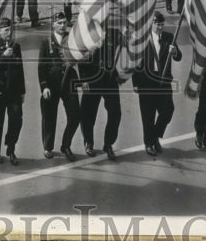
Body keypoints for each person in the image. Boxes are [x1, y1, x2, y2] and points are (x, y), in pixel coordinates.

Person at [132, 11, 182, 156]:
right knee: (148, 115)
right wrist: (135, 82)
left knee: (168, 110)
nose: (160, 27)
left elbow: (178, 57)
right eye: (157, 24)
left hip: (163, 81)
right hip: (147, 81)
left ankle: (154, 136)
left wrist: (175, 52)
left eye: (162, 24)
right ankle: (149, 143)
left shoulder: (169, 37)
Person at [38, 12, 81, 160]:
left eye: (64, 23)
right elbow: (41, 67)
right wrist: (44, 86)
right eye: (59, 23)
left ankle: (66, 145)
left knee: (75, 115)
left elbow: (81, 56)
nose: (63, 26)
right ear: (53, 24)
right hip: (52, 83)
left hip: (69, 82)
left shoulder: (73, 39)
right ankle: (48, 146)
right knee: (49, 116)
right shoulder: (46, 42)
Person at [79, 24, 123, 160]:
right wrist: (83, 79)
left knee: (115, 112)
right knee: (88, 112)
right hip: (92, 77)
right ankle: (88, 141)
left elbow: (127, 42)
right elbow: (81, 57)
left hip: (110, 77)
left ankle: (108, 144)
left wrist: (127, 32)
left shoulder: (115, 31)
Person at [0, 17, 25, 165]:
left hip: (14, 89)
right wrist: (3, 56)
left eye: (11, 30)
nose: (9, 33)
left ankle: (11, 148)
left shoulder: (17, 46)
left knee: (16, 119)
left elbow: (20, 69)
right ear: (0, 31)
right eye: (6, 30)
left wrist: (22, 91)